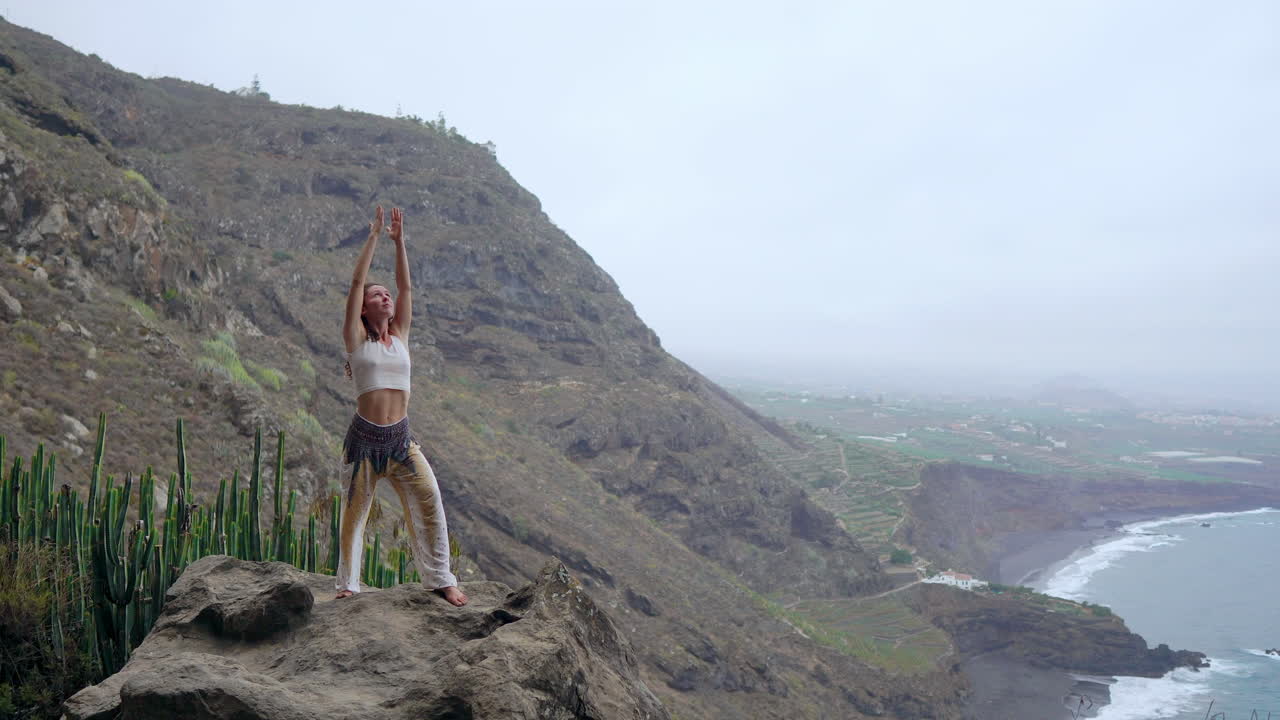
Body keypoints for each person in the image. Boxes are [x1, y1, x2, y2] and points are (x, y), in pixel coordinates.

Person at [335, 204, 467, 607]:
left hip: (401, 439)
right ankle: (347, 585)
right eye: (377, 295)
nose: (386, 296)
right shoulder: (357, 339)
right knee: (355, 515)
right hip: (364, 442)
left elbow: (407, 289)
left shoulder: (401, 335)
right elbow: (356, 282)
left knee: (429, 500)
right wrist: (374, 235)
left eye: (386, 294)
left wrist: (400, 242)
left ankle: (441, 578)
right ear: (364, 308)